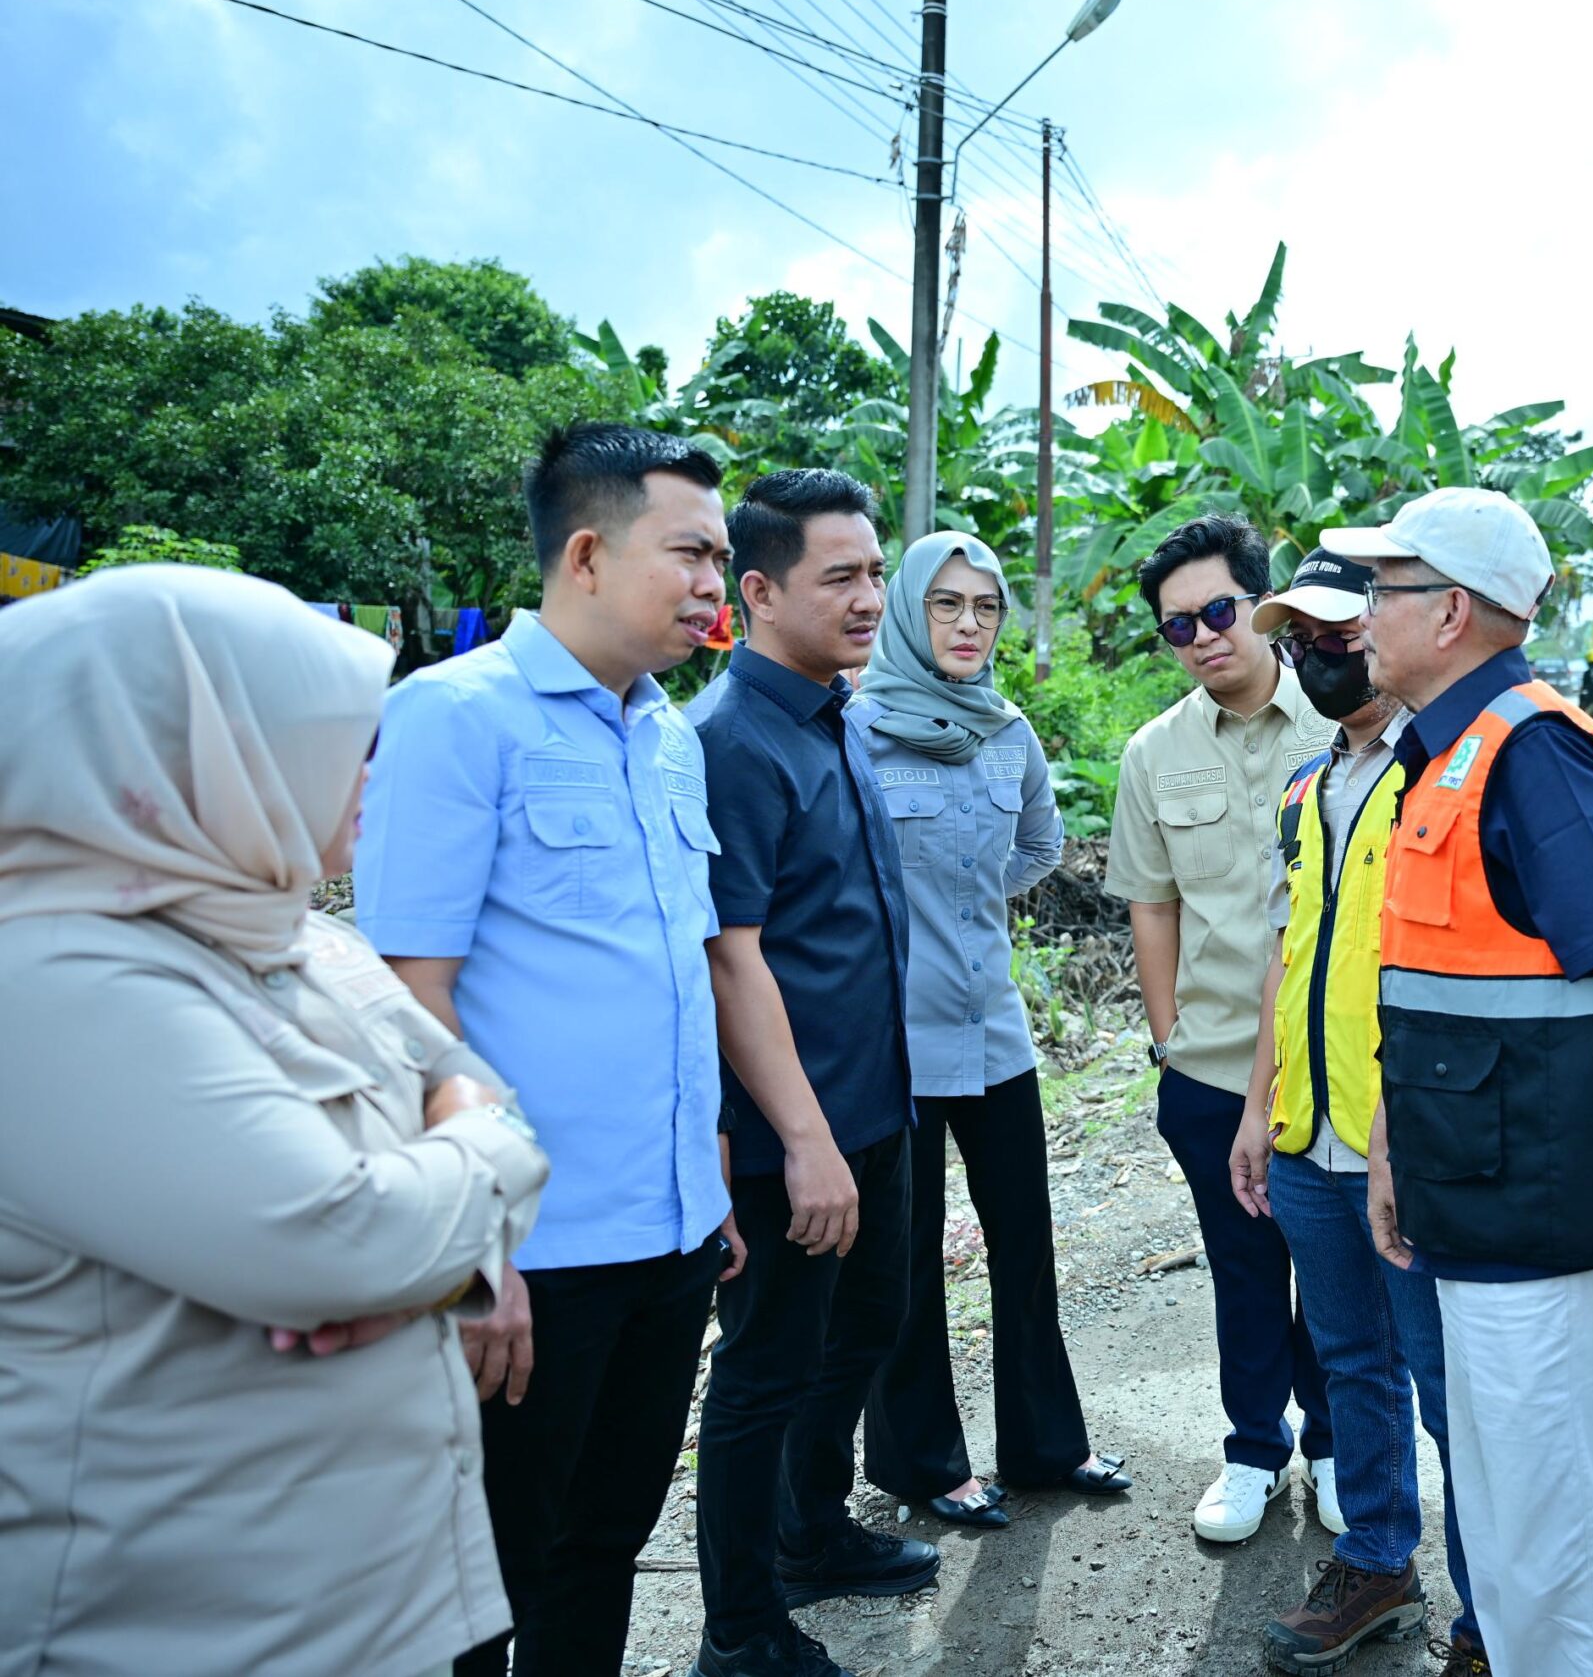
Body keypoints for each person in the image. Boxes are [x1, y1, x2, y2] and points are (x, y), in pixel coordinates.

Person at [0, 565, 550, 1677]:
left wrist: (430, 1222)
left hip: (352, 1599)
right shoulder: (58, 981)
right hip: (189, 1626)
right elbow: (345, 1240)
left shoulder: (285, 935)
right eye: (335, 734)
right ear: (201, 754)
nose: (368, 765)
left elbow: (462, 1079)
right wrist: (456, 1183)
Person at [1332, 489, 1593, 1677]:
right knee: (1514, 1535)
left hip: (1549, 1222)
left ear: (1451, 610)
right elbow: (1444, 991)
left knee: (1561, 1548)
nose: (1363, 614)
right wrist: (1398, 1156)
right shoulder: (1448, 753)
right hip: (1482, 1209)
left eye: (1383, 589)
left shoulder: (1530, 752)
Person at [358, 422, 743, 1677]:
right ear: (586, 550)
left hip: (670, 1236)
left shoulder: (668, 734)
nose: (711, 584)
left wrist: (709, 1175)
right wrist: (469, 1249)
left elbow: (678, 973)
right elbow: (408, 996)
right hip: (534, 1255)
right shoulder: (454, 718)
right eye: (689, 553)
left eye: (721, 556)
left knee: (605, 1548)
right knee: (485, 1580)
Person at [685, 470, 941, 1677]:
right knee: (764, 1370)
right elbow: (733, 960)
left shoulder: (833, 715)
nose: (868, 598)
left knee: (868, 1326)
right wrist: (803, 1142)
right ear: (757, 592)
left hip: (874, 1106)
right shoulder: (732, 741)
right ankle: (737, 1627)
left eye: (874, 572)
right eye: (839, 577)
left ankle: (811, 1529)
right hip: (794, 1133)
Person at [1226, 546, 1487, 1677]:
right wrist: (1256, 1107)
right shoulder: (1305, 783)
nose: (1319, 656)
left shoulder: (1444, 773)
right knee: (1347, 1364)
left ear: (1384, 630)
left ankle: (1492, 1614)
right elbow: (1290, 956)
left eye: (1338, 633)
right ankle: (1379, 1560)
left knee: (1449, 1387)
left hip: (1411, 1146)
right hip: (1306, 1137)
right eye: (1299, 642)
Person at [856, 532, 1132, 1526]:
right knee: (907, 1252)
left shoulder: (1007, 730)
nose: (969, 625)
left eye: (985, 607)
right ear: (907, 615)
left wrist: (960, 912)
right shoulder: (860, 728)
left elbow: (1036, 850)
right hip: (896, 1042)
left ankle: (1046, 1447)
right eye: (947, 605)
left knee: (1025, 1239)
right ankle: (923, 1462)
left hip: (996, 1030)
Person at [1104, 513, 1339, 1543]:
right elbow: (1150, 904)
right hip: (1205, 1069)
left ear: (1262, 606)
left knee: (1334, 1274)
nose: (1201, 637)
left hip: (1330, 1066)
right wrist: (1167, 1037)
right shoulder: (1153, 754)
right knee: (1242, 1271)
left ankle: (1336, 1447)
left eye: (1217, 611)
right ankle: (1253, 1450)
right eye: (1175, 627)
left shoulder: (1349, 724)